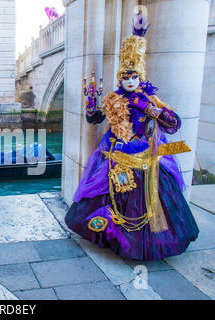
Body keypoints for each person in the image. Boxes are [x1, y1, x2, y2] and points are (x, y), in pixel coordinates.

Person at [64, 14, 199, 261]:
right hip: (117, 154)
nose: (129, 81)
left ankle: (149, 242)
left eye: (133, 77)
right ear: (120, 79)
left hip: (147, 156)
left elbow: (173, 123)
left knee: (151, 199)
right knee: (116, 194)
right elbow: (94, 119)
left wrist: (147, 108)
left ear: (140, 77)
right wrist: (91, 103)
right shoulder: (113, 100)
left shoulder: (149, 99)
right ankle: (116, 238)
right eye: (125, 78)